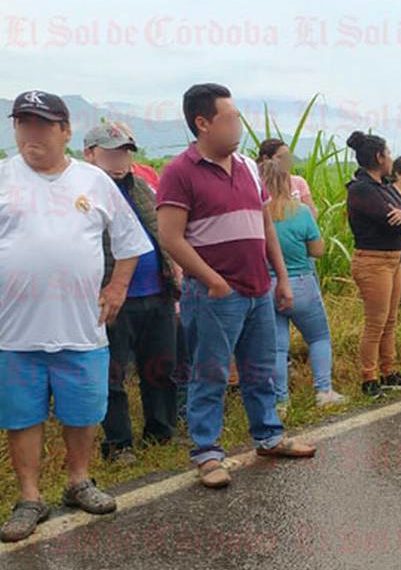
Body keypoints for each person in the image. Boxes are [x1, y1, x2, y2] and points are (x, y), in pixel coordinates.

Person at [0, 91, 153, 543]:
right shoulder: (4, 177)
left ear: (65, 131)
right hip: (14, 331)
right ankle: (30, 497)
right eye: (23, 123)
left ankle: (78, 481)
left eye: (42, 124)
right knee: (21, 416)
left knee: (82, 411)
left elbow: (130, 242)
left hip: (82, 326)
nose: (31, 133)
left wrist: (117, 287)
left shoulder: (94, 181)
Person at [158, 83, 316, 490]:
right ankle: (207, 453)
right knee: (209, 373)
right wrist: (212, 280)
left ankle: (269, 436)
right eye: (229, 119)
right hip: (213, 295)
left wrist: (281, 278)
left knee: (261, 369)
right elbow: (170, 237)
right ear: (203, 123)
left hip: (258, 288)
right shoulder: (179, 172)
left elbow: (265, 227)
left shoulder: (246, 166)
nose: (237, 127)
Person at [83, 122, 181, 466]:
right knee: (112, 374)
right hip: (110, 298)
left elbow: (159, 233)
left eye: (124, 152)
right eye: (111, 153)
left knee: (161, 367)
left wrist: (173, 273)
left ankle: (161, 431)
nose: (119, 160)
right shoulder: (83, 196)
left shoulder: (141, 187)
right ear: (89, 154)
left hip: (157, 292)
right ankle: (118, 444)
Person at [260, 158, 344, 413]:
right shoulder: (301, 212)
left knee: (277, 347)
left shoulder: (255, 215)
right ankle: (323, 391)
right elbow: (318, 250)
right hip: (301, 282)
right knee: (318, 337)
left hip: (267, 285)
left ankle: (281, 401)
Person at [346, 132, 401, 397]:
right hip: (372, 261)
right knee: (376, 322)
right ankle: (369, 377)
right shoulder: (361, 188)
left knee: (390, 319)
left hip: (393, 258)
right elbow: (390, 219)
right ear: (379, 157)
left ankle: (389, 370)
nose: (391, 158)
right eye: (388, 153)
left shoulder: (386, 186)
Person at [257, 138, 318, 218]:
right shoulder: (257, 184)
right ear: (266, 159)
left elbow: (312, 213)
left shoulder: (299, 182)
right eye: (281, 157)